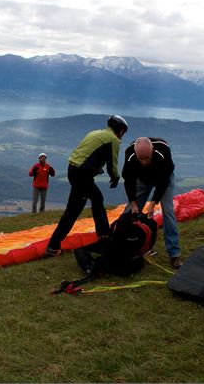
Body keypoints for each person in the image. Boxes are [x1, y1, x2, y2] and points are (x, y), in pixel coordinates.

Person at [44, 115, 128, 257]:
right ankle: (104, 237)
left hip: (73, 170)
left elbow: (85, 154)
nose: (122, 136)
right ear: (120, 130)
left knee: (76, 208)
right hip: (82, 175)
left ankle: (53, 246)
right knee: (93, 201)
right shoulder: (113, 140)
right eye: (123, 133)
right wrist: (115, 177)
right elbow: (112, 164)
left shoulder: (95, 133)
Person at [121, 136, 183, 269]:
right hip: (142, 180)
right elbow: (129, 181)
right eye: (140, 159)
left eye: (147, 158)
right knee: (128, 213)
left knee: (168, 211)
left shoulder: (163, 150)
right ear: (136, 154)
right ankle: (122, 247)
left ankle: (174, 254)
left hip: (163, 179)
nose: (143, 162)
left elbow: (164, 181)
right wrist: (133, 203)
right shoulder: (130, 154)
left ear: (152, 150)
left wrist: (153, 202)